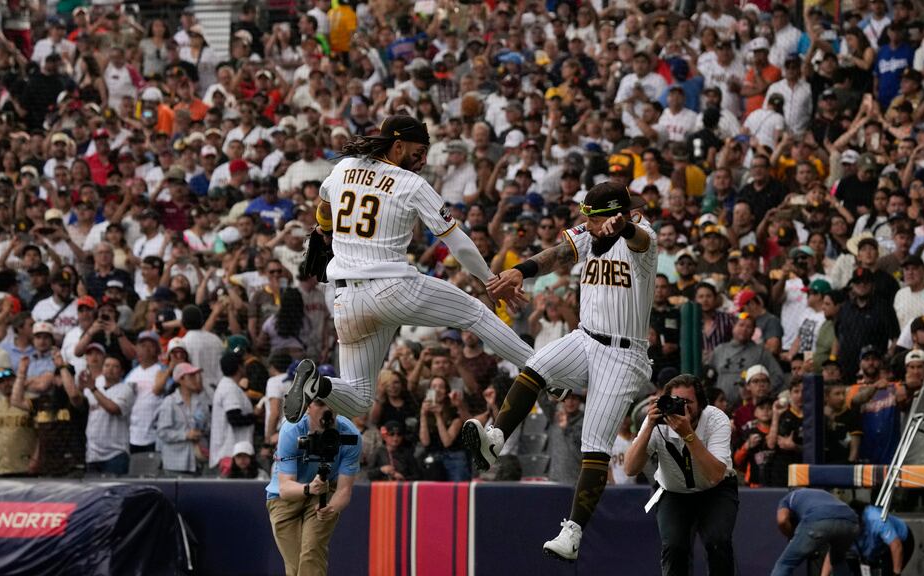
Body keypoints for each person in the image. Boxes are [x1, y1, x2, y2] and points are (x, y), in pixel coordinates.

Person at [285, 115, 534, 422]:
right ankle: (540, 368)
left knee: (359, 399)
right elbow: (458, 242)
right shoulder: (411, 184)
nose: (423, 159)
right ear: (398, 145)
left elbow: (324, 204)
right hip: (393, 287)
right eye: (418, 151)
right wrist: (488, 279)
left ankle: (317, 385)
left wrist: (324, 231)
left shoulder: (344, 168)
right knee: (476, 312)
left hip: (347, 300)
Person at [465, 181, 656, 561]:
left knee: (594, 443)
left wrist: (624, 228)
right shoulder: (591, 232)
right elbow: (556, 254)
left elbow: (640, 242)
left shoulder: (642, 233)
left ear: (618, 213)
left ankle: (573, 532)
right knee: (535, 365)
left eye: (594, 215)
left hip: (623, 354)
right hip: (586, 338)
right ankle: (496, 438)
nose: (587, 221)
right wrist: (521, 270)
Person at [623, 374, 738, 575]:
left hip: (715, 489)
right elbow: (630, 468)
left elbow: (715, 474)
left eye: (687, 402)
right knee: (674, 547)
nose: (680, 407)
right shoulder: (658, 420)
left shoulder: (716, 419)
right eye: (675, 401)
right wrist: (649, 426)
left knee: (718, 541)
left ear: (701, 403)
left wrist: (688, 435)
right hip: (672, 491)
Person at [265, 398, 361, 576]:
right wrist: (309, 488)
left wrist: (332, 508)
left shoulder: (350, 434)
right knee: (295, 567)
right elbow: (285, 488)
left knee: (311, 554)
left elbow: (344, 490)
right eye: (320, 403)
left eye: (333, 403)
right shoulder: (291, 429)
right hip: (285, 497)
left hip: (324, 492)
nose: (328, 409)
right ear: (308, 406)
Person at [772, 488, 860, 576]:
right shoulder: (822, 493)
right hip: (851, 522)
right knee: (838, 560)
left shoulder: (787, 499)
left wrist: (791, 536)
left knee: (784, 564)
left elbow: (782, 520)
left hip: (818, 519)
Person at [155, 362, 210, 476]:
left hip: (198, 460)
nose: (196, 379)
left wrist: (201, 432)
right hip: (175, 463)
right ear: (180, 380)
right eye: (191, 376)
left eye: (196, 375)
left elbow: (208, 426)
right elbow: (162, 432)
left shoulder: (201, 402)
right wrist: (185, 435)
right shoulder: (170, 402)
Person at [849, 502, 915, 576]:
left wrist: (896, 574)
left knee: (887, 572)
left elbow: (896, 545)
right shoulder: (843, 528)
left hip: (899, 541)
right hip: (872, 549)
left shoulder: (875, 519)